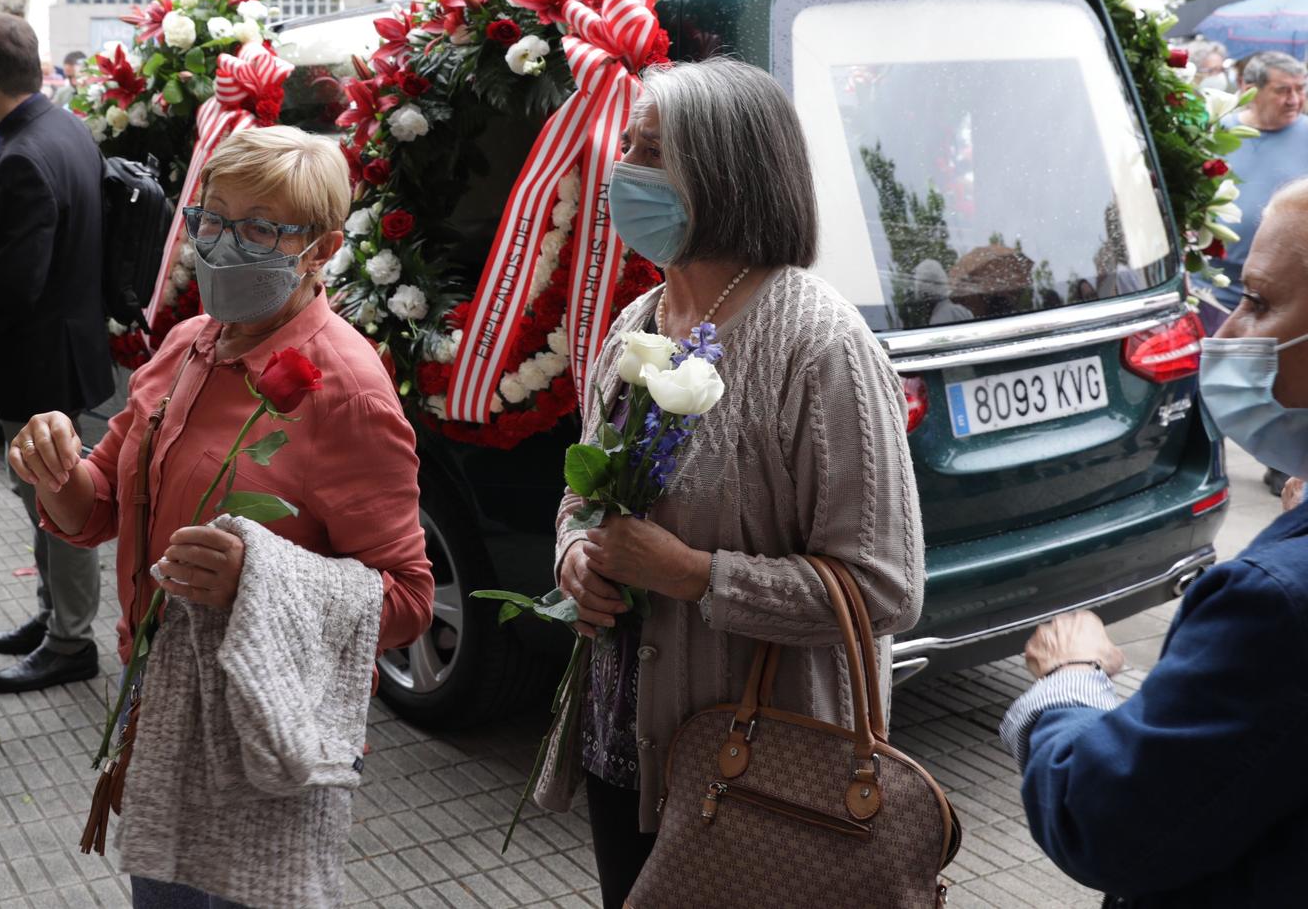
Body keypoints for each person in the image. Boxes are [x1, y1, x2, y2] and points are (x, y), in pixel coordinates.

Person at [532, 58, 926, 909]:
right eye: (628, 142)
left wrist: (694, 575)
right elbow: (584, 499)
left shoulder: (819, 343)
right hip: (625, 747)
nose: (622, 167)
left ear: (725, 173)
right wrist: (573, 554)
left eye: (651, 150)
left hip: (760, 772)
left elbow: (886, 588)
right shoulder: (640, 323)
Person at [6, 124, 433, 909]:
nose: (225, 245)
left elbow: (407, 600)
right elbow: (101, 499)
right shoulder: (188, 342)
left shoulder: (348, 389)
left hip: (259, 721)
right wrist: (58, 471)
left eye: (262, 227)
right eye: (212, 218)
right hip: (158, 697)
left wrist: (259, 579)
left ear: (323, 248)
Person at [998, 176, 1308, 908]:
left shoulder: (1273, 603)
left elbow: (1104, 819)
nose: (1227, 332)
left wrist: (1067, 683)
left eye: (1259, 303)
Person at [0, 12, 117, 692]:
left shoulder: (25, 152)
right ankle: (53, 613)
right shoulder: (66, 128)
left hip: (40, 359)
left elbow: (18, 283)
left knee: (56, 500)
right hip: (70, 345)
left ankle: (71, 639)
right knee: (43, 499)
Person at [1206, 53, 1308, 492]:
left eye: (1300, 89)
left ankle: (1288, 464)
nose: (1295, 99)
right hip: (1219, 289)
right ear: (1251, 90)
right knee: (1224, 383)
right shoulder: (1219, 136)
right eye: (1283, 89)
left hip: (1288, 299)